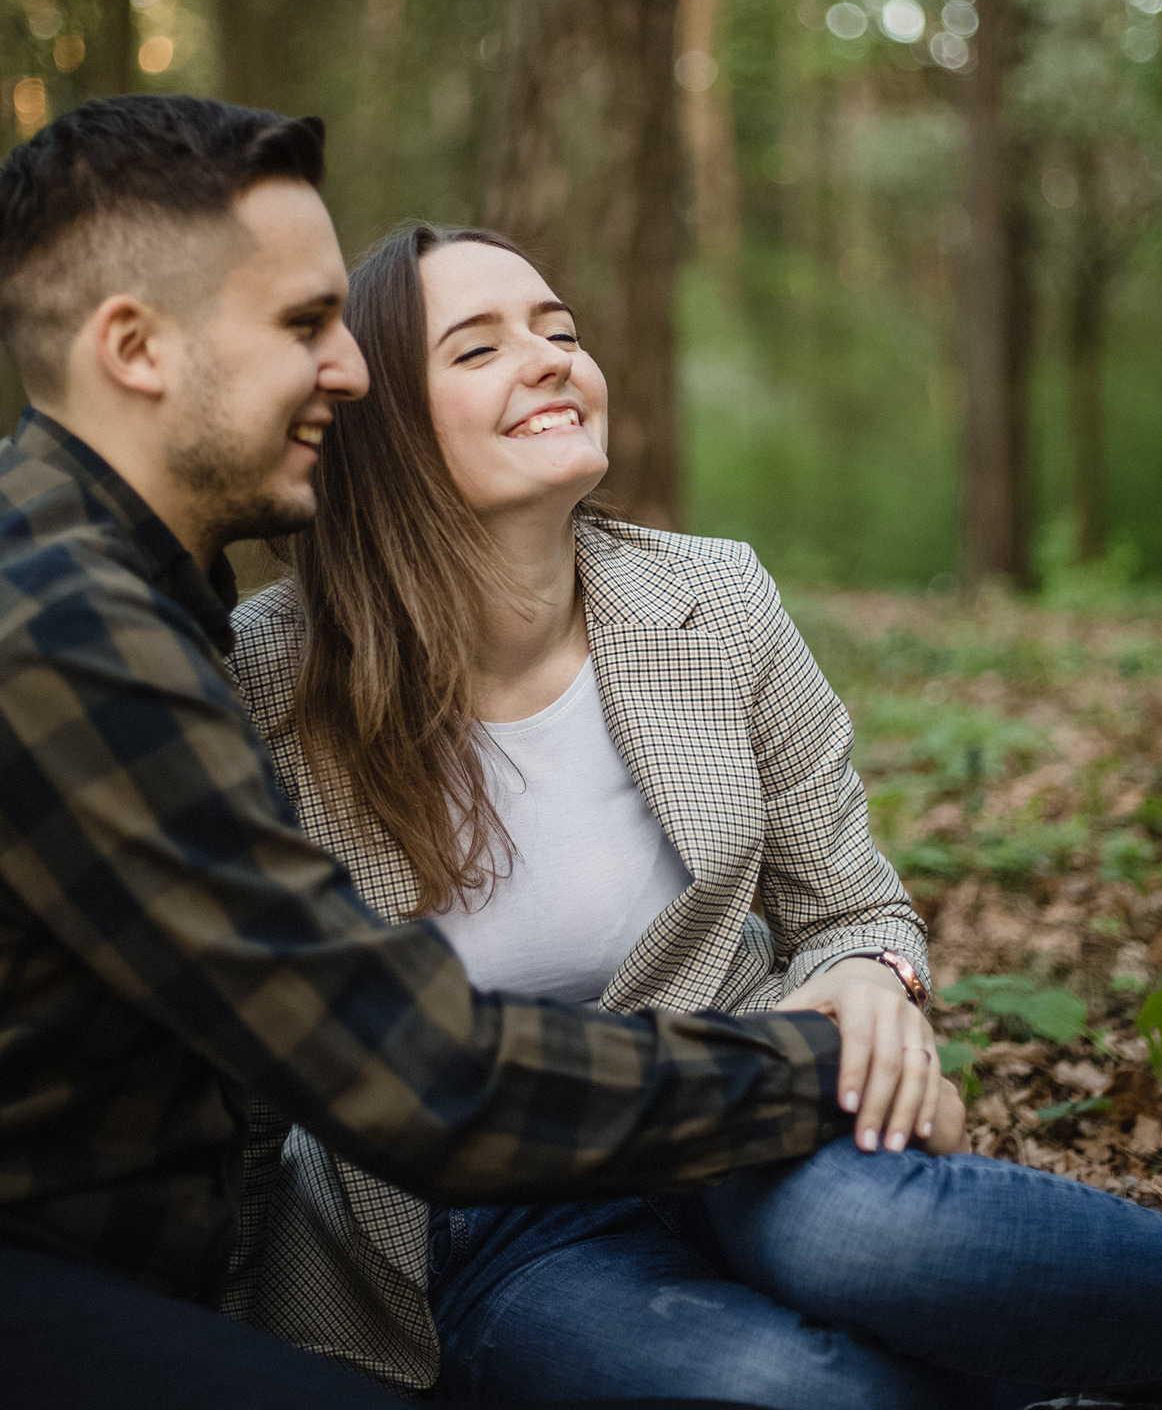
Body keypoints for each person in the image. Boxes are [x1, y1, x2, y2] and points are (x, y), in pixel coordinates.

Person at [230, 220, 1162, 1410]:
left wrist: (874, 979)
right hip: (481, 1217)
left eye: (559, 330)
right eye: (476, 349)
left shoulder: (713, 599)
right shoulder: (270, 681)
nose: (547, 358)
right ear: (377, 429)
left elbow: (851, 906)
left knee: (878, 1246)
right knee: (799, 1391)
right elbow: (245, 1055)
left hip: (738, 1095)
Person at [0, 95, 867, 1410]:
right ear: (136, 349)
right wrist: (816, 1062)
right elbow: (419, 1072)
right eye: (305, 327)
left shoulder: (141, 595)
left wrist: (855, 992)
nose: (347, 371)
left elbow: (850, 894)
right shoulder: (68, 635)